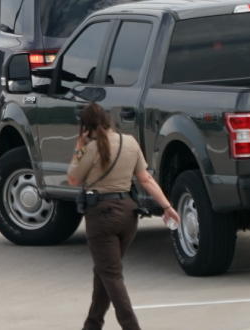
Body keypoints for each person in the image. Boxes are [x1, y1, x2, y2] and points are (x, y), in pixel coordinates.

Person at [67, 103, 181, 330]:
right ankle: (92, 325)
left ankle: (131, 327)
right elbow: (146, 180)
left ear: (85, 128)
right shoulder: (130, 142)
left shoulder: (90, 149)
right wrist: (167, 206)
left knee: (111, 274)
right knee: (105, 270)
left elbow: (73, 179)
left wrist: (78, 148)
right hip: (129, 214)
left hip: (101, 215)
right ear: (109, 120)